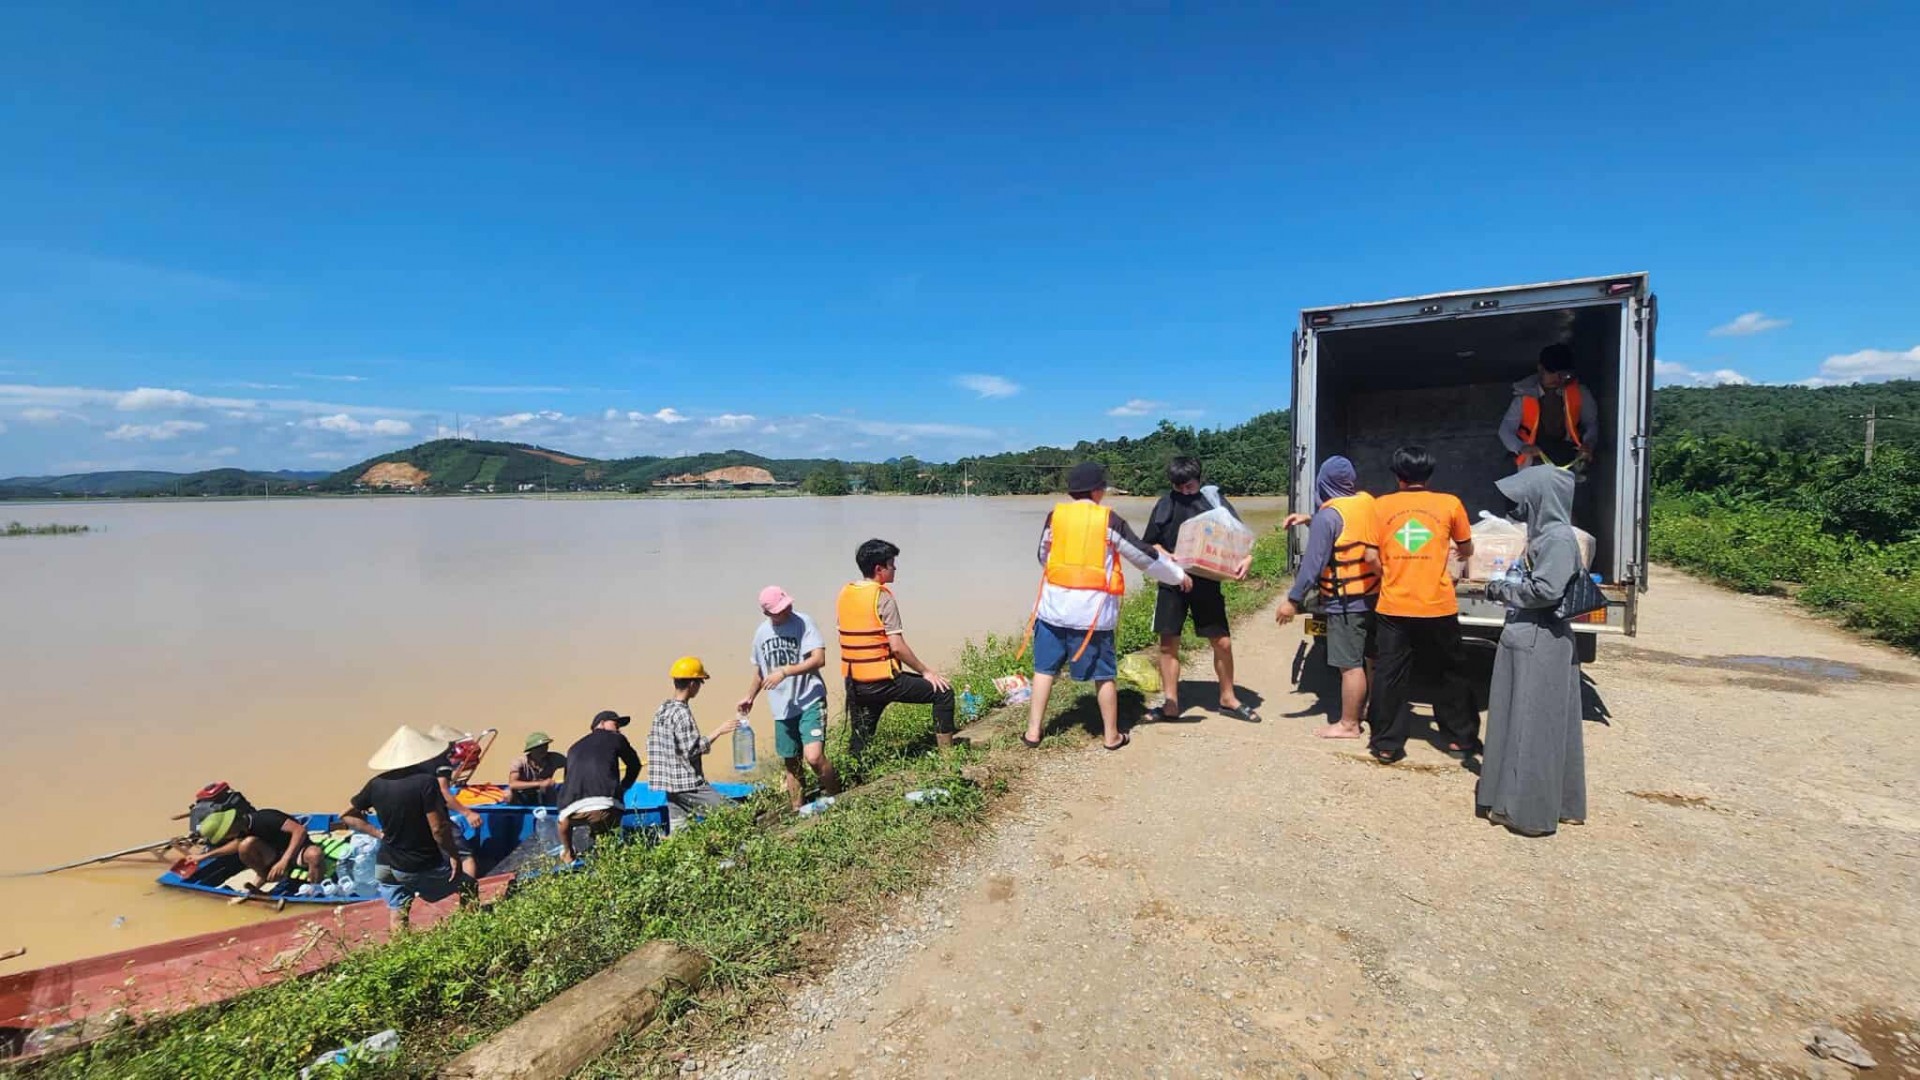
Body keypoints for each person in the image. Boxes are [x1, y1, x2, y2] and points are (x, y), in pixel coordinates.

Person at [1022, 462, 1190, 751]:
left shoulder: (1055, 516)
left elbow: (1042, 555)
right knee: (1104, 674)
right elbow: (1143, 556)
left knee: (1044, 670)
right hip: (1092, 614)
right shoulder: (1109, 520)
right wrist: (1178, 576)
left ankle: (1033, 732)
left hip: (1052, 609)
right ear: (1098, 490)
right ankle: (1111, 736)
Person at [1478, 465, 1588, 837]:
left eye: (1523, 499)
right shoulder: (1547, 536)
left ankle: (1525, 811)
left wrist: (1500, 591)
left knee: (1530, 723)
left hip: (1538, 637)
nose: (1517, 507)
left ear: (1540, 498)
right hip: (1533, 636)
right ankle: (1555, 803)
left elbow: (1545, 591)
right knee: (1537, 722)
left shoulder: (1556, 539)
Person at [1366, 446, 1481, 765]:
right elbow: (1466, 548)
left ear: (1397, 476)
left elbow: (1371, 557)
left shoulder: (1381, 506)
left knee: (1390, 673)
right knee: (1449, 671)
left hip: (1393, 605)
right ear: (1429, 475)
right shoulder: (1449, 504)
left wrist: (1390, 572)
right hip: (1437, 604)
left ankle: (1386, 743)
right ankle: (1460, 738)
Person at [1142, 456, 1258, 722]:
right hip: (1173, 582)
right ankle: (1171, 704)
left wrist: (1246, 559)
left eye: (1189, 486)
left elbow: (1240, 538)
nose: (1184, 491)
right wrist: (1166, 556)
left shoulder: (1214, 501)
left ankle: (1228, 698)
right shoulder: (1165, 503)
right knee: (1168, 644)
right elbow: (1150, 544)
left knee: (1222, 642)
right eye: (1178, 486)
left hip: (1207, 582)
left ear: (1199, 479)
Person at [1275, 456, 1380, 739]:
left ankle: (1349, 724)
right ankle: (1369, 709)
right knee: (1371, 657)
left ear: (1323, 483)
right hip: (1372, 596)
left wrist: (1293, 601)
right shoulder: (1366, 501)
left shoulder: (1328, 516)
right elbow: (1349, 528)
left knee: (1350, 665)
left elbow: (1313, 565)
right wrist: (1311, 519)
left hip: (1345, 602)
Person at [341, 725, 470, 929]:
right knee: (468, 885)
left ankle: (398, 951)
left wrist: (379, 834)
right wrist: (453, 855)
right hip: (418, 862)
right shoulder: (426, 782)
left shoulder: (375, 784)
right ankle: (470, 929)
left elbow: (347, 816)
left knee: (398, 913)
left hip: (384, 864)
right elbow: (438, 828)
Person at [838, 539, 957, 759]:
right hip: (883, 682)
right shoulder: (882, 597)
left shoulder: (846, 593)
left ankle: (853, 778)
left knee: (860, 737)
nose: (895, 568)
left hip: (855, 683)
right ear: (879, 569)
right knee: (944, 693)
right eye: (892, 564)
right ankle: (948, 759)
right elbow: (897, 647)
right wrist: (926, 672)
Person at [739, 586, 841, 811]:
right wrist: (750, 696)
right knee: (791, 762)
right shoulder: (761, 634)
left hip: (809, 699)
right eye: (780, 610)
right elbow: (760, 670)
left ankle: (840, 798)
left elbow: (819, 659)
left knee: (813, 756)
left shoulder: (803, 622)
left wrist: (785, 671)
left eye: (787, 605)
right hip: (782, 708)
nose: (787, 610)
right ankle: (798, 809)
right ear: (768, 614)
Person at [648, 656, 741, 828]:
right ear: (692, 684)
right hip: (687, 784)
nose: (699, 687)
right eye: (700, 682)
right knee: (734, 815)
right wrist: (719, 731)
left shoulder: (663, 709)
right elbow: (692, 749)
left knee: (679, 834)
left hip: (671, 787)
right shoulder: (681, 713)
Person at [1500, 342, 1599, 472]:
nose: (1557, 378)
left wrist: (1588, 444)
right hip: (1533, 457)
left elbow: (1591, 423)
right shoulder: (1524, 395)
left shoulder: (1580, 392)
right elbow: (1505, 430)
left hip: (1568, 454)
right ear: (1540, 369)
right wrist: (1521, 447)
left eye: (1563, 374)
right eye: (1551, 372)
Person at [558, 709, 642, 861]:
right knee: (608, 848)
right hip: (604, 807)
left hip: (569, 814)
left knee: (571, 820)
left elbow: (567, 780)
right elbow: (634, 765)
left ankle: (568, 853)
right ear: (602, 724)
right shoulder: (616, 738)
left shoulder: (573, 747)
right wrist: (623, 787)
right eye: (616, 724)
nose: (619, 729)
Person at [195, 804, 332, 894]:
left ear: (232, 826)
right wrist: (204, 857)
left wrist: (284, 861)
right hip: (273, 853)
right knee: (244, 845)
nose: (226, 837)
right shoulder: (241, 831)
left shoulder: (266, 817)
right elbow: (236, 845)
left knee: (315, 855)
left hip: (296, 850)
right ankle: (263, 875)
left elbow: (299, 830)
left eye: (225, 834)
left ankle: (315, 888)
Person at [425, 725, 485, 880]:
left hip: (415, 817)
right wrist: (468, 813)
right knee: (466, 857)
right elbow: (444, 792)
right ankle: (468, 899)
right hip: (436, 816)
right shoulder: (442, 763)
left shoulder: (419, 762)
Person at [505, 731, 566, 807]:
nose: (543, 749)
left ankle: (552, 811)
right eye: (539, 747)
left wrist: (567, 779)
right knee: (508, 793)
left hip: (545, 791)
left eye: (545, 745)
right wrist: (540, 783)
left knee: (552, 788)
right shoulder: (519, 762)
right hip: (522, 792)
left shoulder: (555, 758)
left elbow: (572, 764)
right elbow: (513, 784)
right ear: (531, 749)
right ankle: (514, 814)